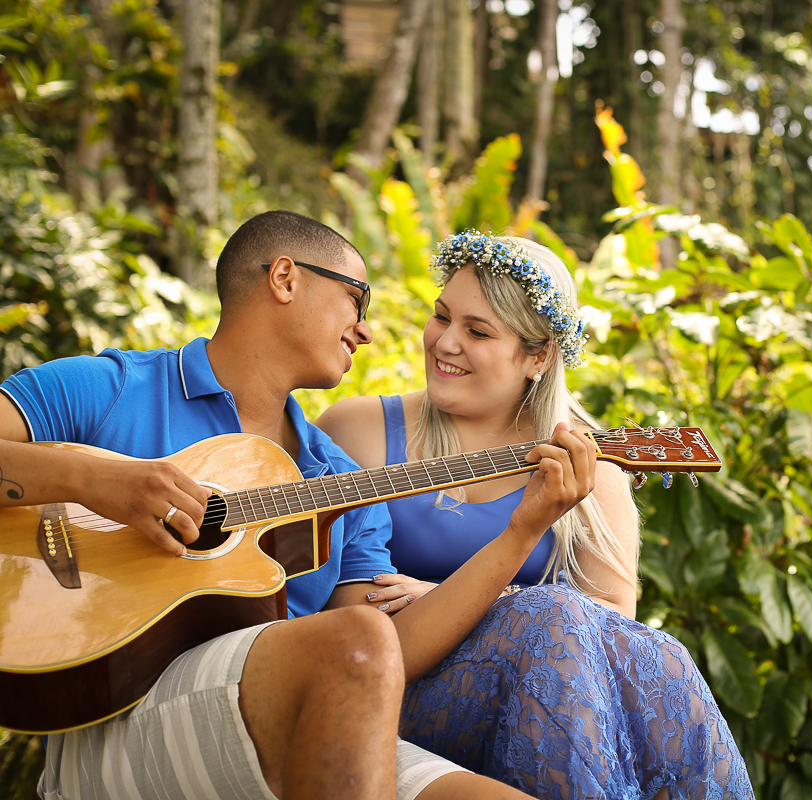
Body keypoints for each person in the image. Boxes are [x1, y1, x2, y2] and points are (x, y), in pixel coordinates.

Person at [0, 211, 594, 800]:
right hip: (118, 720)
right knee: (354, 637)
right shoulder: (114, 390)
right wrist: (96, 479)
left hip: (282, 717)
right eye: (357, 300)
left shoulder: (339, 479)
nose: (366, 331)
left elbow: (392, 653)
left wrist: (521, 532)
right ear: (285, 278)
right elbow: (356, 644)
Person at [316, 231, 753, 800]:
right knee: (552, 616)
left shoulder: (586, 465)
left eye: (477, 331)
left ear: (539, 356)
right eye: (441, 316)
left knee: (639, 647)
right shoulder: (359, 431)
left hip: (550, 703)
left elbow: (613, 631)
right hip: (398, 687)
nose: (445, 342)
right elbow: (335, 602)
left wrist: (459, 598)